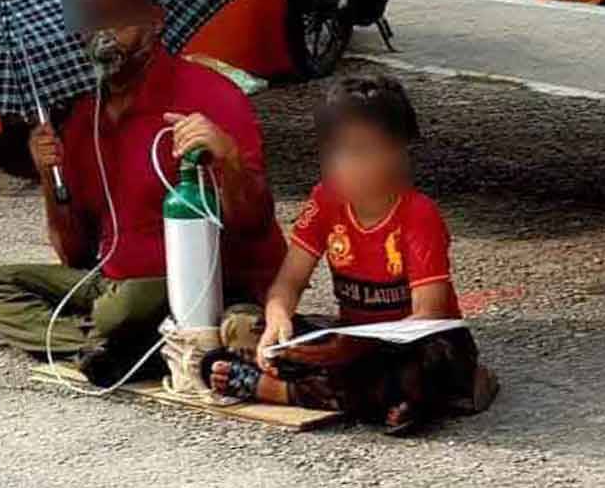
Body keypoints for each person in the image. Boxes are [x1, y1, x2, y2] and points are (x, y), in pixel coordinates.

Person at [0, 0, 287, 385]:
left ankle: (123, 341)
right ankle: (112, 349)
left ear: (155, 21)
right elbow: (75, 256)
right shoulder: (85, 116)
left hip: (205, 283)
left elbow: (255, 225)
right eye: (92, 20)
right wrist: (49, 177)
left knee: (124, 305)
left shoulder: (209, 94)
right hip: (112, 285)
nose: (103, 35)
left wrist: (227, 159)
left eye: (117, 19)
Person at [203, 74, 497, 433]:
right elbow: (288, 283)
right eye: (336, 152)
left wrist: (353, 348)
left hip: (414, 344)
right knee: (241, 323)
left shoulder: (418, 215)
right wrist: (278, 322)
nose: (345, 164)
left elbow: (429, 313)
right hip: (349, 336)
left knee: (419, 371)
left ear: (398, 152)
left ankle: (280, 390)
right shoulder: (326, 200)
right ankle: (371, 400)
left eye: (361, 151)